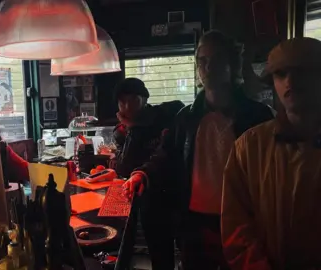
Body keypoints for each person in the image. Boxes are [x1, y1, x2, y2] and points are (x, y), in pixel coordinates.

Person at [123, 30, 273, 270]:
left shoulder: (258, 116)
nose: (208, 67)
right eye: (202, 60)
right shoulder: (186, 117)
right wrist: (142, 173)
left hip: (244, 224)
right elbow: (166, 155)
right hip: (194, 225)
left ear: (233, 64)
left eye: (216, 60)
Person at [222, 37, 321, 269]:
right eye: (280, 74)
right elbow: (236, 227)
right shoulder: (249, 147)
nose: (290, 81)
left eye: (302, 71)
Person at [113, 77, 184, 269]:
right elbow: (123, 168)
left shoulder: (166, 115)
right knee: (159, 256)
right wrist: (131, 129)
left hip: (178, 193)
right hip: (150, 198)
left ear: (144, 99)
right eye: (122, 102)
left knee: (189, 253)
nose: (127, 106)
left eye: (133, 100)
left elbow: (169, 154)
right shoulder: (124, 130)